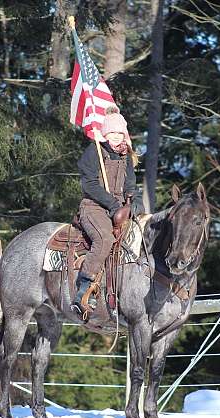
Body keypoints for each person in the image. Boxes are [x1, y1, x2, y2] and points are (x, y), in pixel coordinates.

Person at [71, 108, 143, 319]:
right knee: (104, 239)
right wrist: (112, 205)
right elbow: (90, 185)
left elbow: (130, 184)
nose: (116, 138)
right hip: (94, 207)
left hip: (119, 208)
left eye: (120, 134)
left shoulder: (126, 155)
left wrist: (135, 201)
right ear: (105, 133)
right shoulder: (94, 151)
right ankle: (83, 289)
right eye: (112, 134)